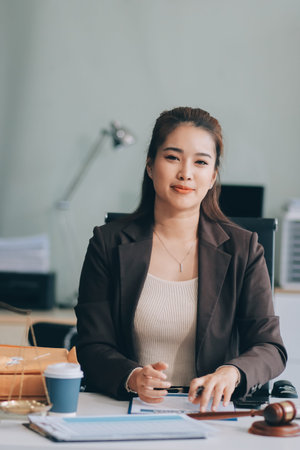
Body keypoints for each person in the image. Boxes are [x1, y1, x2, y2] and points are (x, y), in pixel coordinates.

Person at [75, 106, 287, 412]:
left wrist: (233, 373)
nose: (186, 173)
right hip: (126, 408)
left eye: (200, 162)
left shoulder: (244, 248)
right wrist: (132, 377)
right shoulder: (108, 243)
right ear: (150, 166)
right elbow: (92, 344)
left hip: (210, 412)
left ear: (213, 176)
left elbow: (270, 347)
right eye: (172, 157)